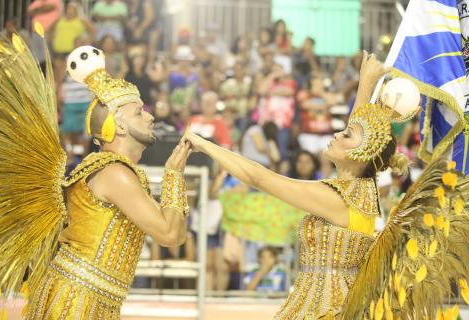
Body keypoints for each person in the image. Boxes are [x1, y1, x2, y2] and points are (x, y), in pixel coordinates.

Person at [183, 52, 469, 318]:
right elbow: (361, 131)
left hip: (324, 310)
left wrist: (205, 145)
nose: (336, 134)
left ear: (363, 153)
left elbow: (261, 178)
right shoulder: (364, 189)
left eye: (345, 136)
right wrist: (365, 85)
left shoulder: (338, 199)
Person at [0, 39, 192, 319]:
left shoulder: (113, 170)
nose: (150, 116)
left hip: (88, 297)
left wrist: (174, 177)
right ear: (119, 125)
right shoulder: (113, 173)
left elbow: (176, 235)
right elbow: (169, 234)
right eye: (138, 112)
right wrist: (173, 175)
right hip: (78, 300)